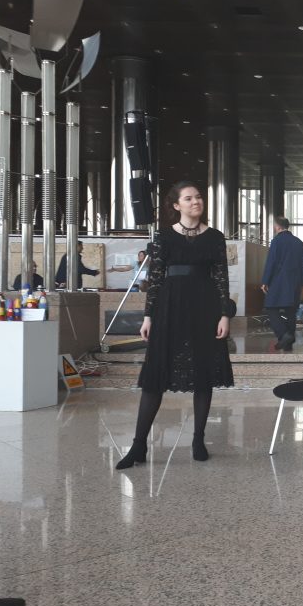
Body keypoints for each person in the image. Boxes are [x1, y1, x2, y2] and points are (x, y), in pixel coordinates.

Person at [115, 181, 234, 469]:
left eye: (198, 197)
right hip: (169, 307)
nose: (196, 201)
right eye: (189, 198)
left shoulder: (215, 237)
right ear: (176, 205)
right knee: (155, 375)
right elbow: (155, 279)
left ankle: (198, 440)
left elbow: (221, 278)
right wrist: (148, 316)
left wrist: (224, 315)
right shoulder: (163, 236)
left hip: (205, 308)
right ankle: (138, 445)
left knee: (203, 374)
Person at [261, 216, 303, 350]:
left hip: (278, 281)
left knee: (270, 307)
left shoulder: (276, 241)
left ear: (277, 226)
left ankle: (283, 334)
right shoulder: (298, 242)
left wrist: (265, 281)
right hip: (295, 282)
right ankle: (288, 344)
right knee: (291, 312)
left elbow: (271, 262)